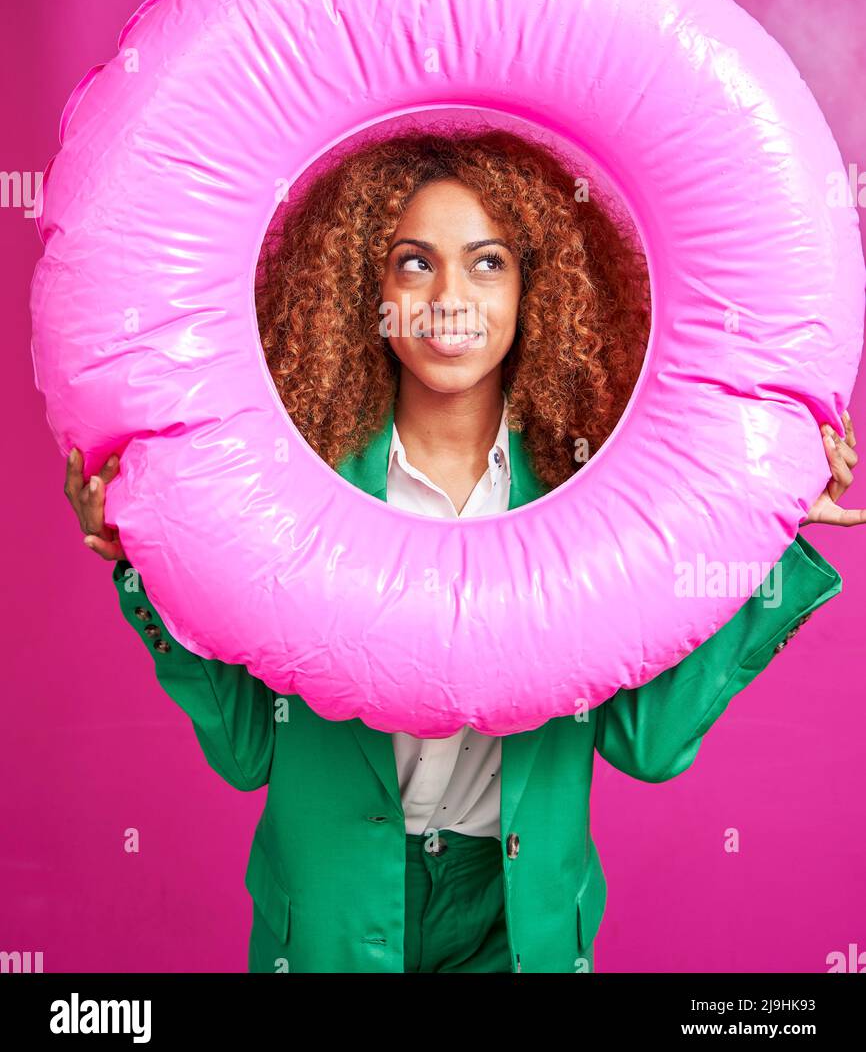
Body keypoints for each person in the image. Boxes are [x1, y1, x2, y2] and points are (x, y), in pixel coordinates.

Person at [63, 128, 861, 973]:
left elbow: (648, 743)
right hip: (336, 915)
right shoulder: (288, 492)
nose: (450, 296)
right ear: (366, 288)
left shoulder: (593, 502)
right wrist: (144, 564)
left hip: (513, 922)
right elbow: (249, 750)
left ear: (533, 291)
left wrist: (770, 543)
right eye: (415, 263)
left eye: (488, 263)